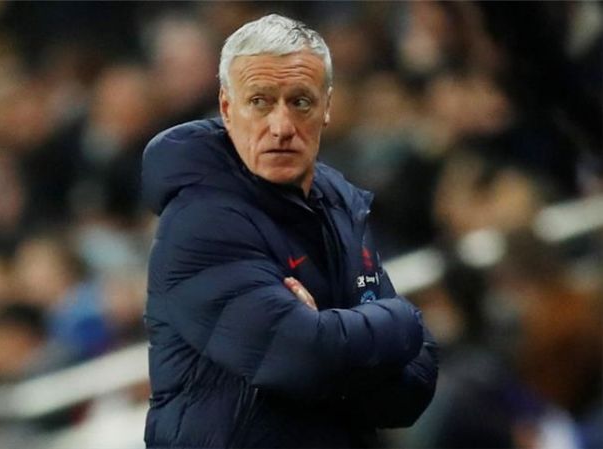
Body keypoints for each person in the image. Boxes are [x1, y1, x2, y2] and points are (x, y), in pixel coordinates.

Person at [142, 14, 438, 448]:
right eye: (259, 102)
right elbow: (304, 356)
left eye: (300, 102)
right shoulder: (201, 223)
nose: (281, 127)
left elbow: (412, 390)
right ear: (227, 108)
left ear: (327, 107)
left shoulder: (339, 206)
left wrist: (333, 339)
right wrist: (402, 319)